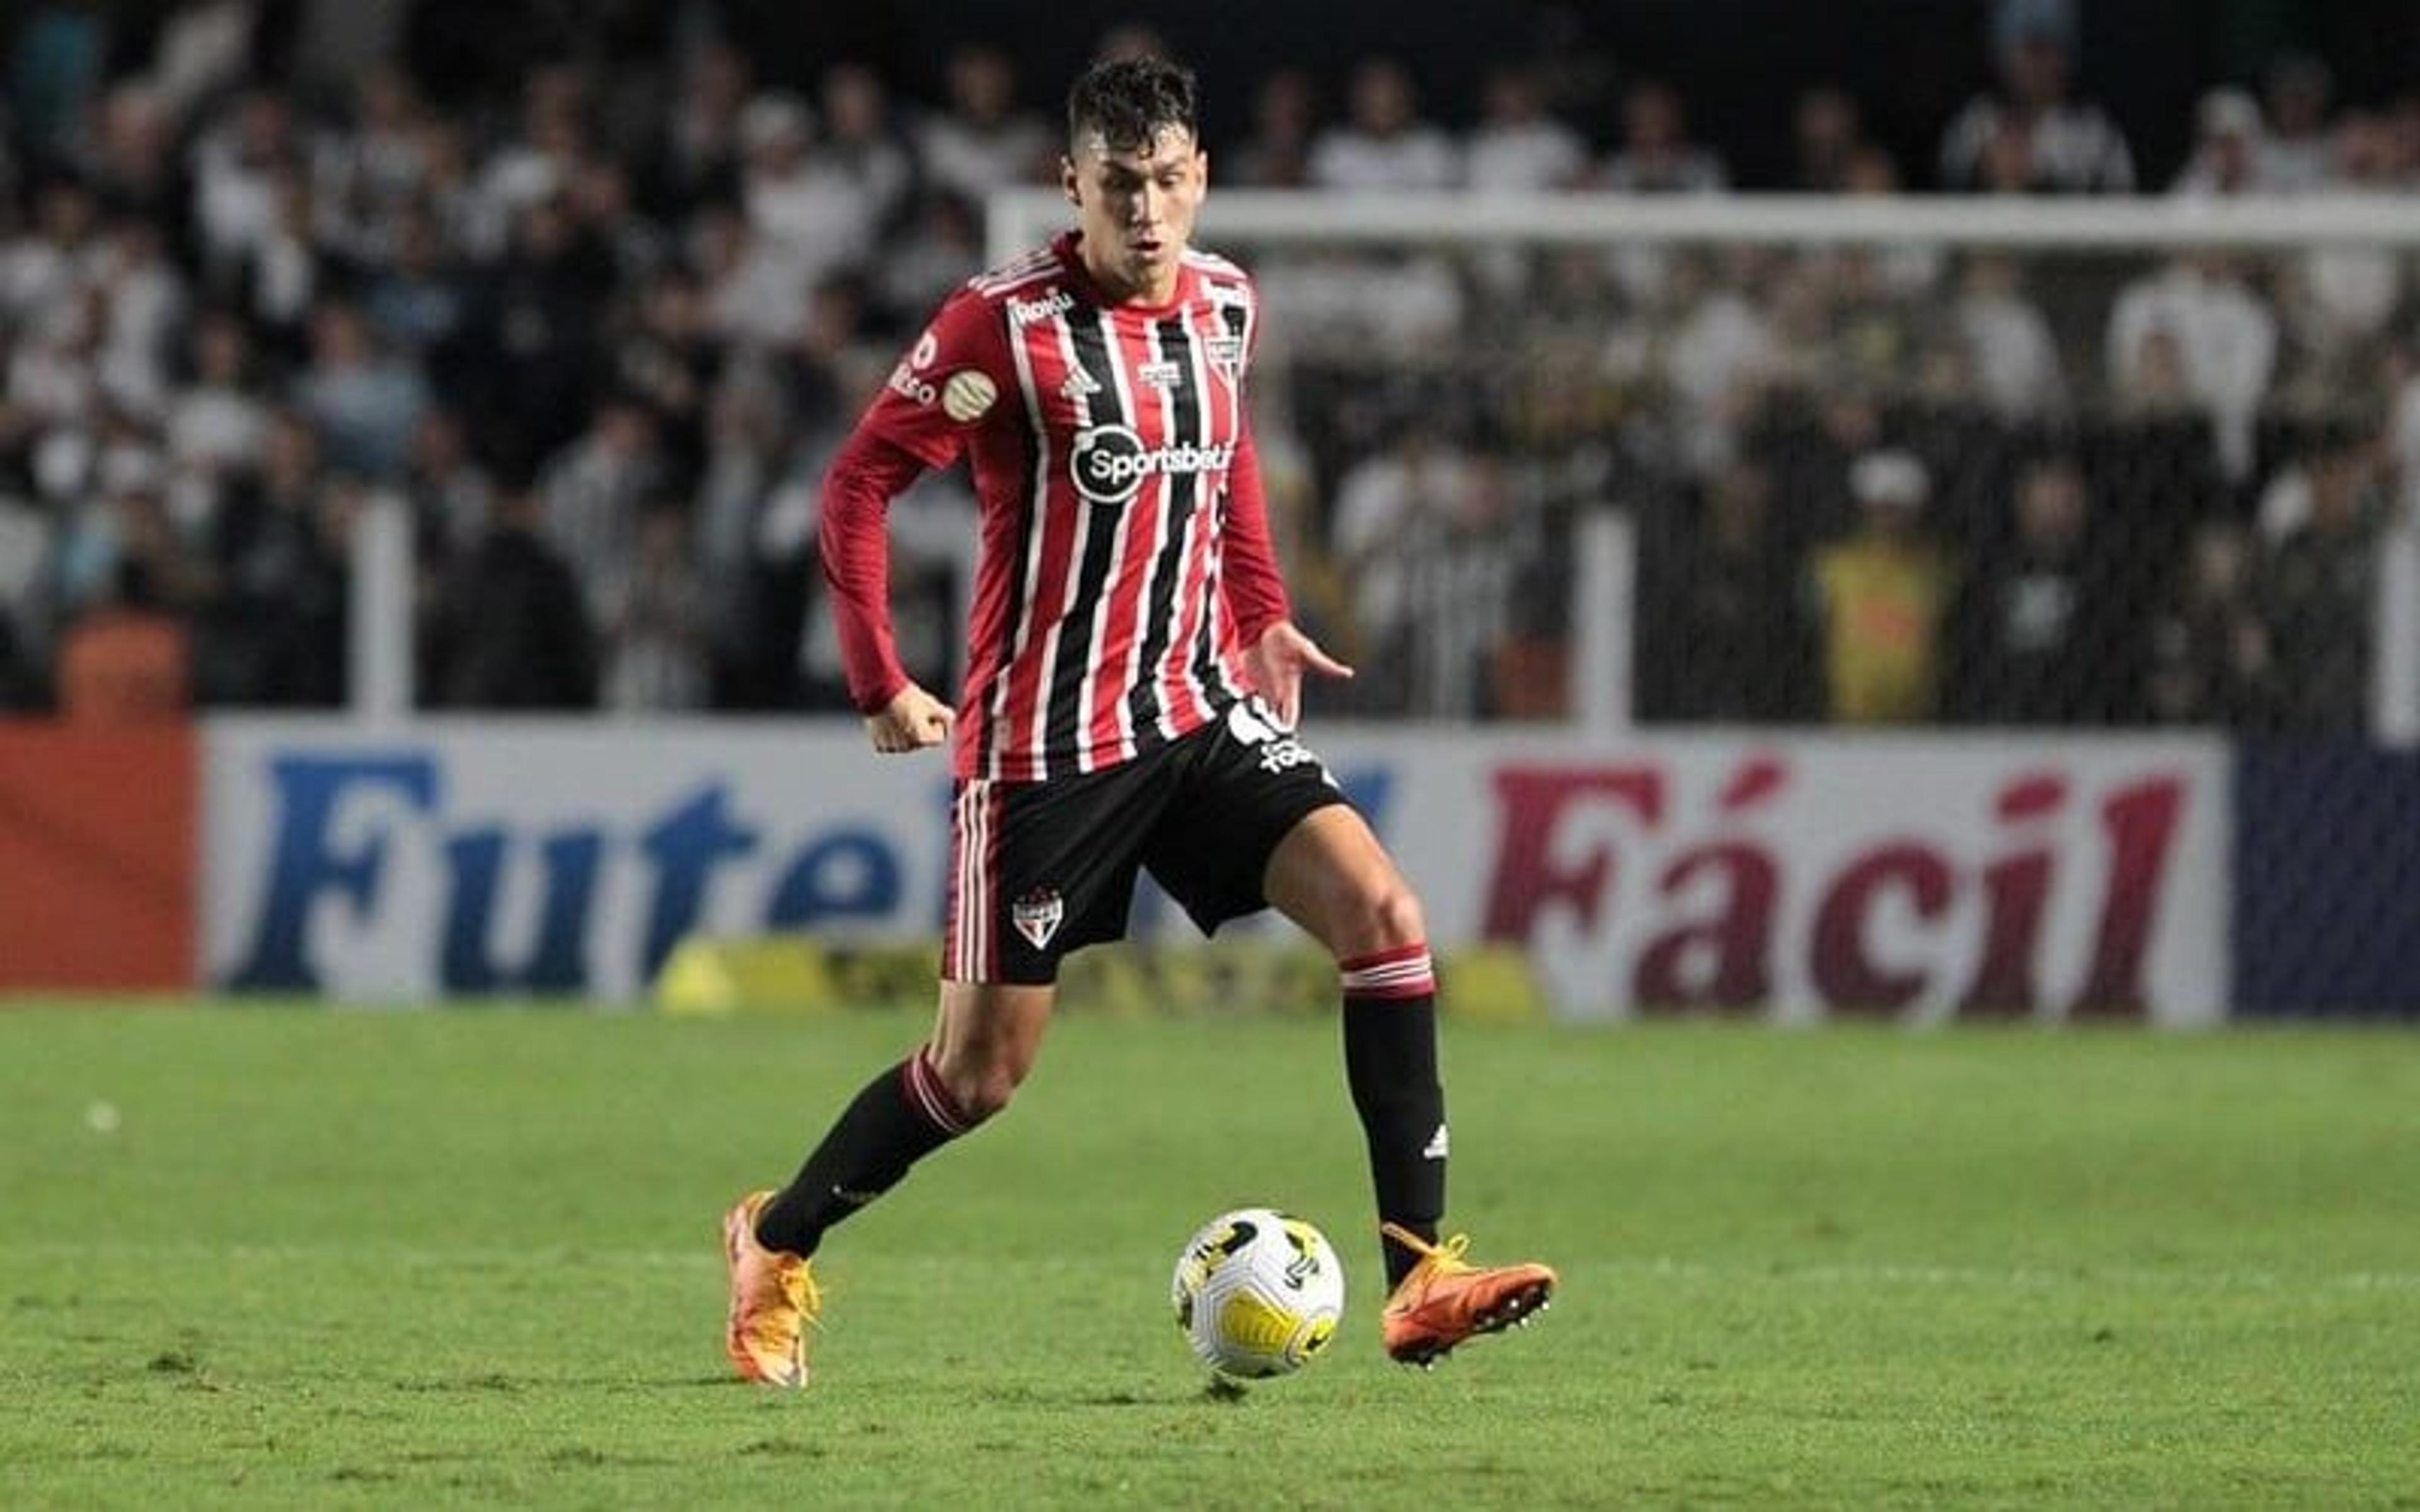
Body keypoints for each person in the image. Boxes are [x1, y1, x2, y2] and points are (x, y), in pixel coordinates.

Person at [722, 55, 1555, 1389]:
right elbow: (857, 485)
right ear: (1074, 186)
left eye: (1170, 181)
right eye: (1121, 187)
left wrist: (1265, 612)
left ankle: (1421, 1279)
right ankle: (774, 1238)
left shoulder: (1226, 305)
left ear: (1203, 176)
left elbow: (1227, 466)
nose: (1150, 211)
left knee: (1387, 922)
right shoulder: (1003, 327)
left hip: (1197, 711)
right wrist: (879, 675)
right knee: (978, 1075)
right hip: (1047, 748)